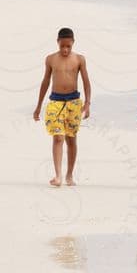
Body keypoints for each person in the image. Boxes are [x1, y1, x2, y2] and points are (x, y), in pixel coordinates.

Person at [33, 26, 91, 187]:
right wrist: (38, 106)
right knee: (58, 137)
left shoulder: (79, 59)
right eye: (62, 46)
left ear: (73, 43)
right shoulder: (51, 59)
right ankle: (57, 175)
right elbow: (45, 82)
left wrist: (87, 103)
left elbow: (86, 82)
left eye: (68, 46)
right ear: (57, 42)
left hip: (73, 102)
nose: (65, 50)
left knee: (71, 139)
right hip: (55, 102)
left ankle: (69, 175)